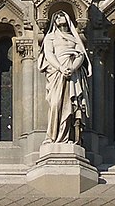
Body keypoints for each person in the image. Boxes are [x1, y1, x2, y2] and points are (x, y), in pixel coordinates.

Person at [39, 10, 92, 144]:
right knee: (56, 103)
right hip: (57, 73)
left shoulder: (75, 39)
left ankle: (69, 137)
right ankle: (53, 137)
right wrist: (60, 68)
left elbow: (80, 55)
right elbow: (49, 54)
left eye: (62, 15)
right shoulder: (50, 37)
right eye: (56, 16)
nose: (59, 17)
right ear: (54, 21)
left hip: (73, 74)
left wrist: (73, 68)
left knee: (71, 106)